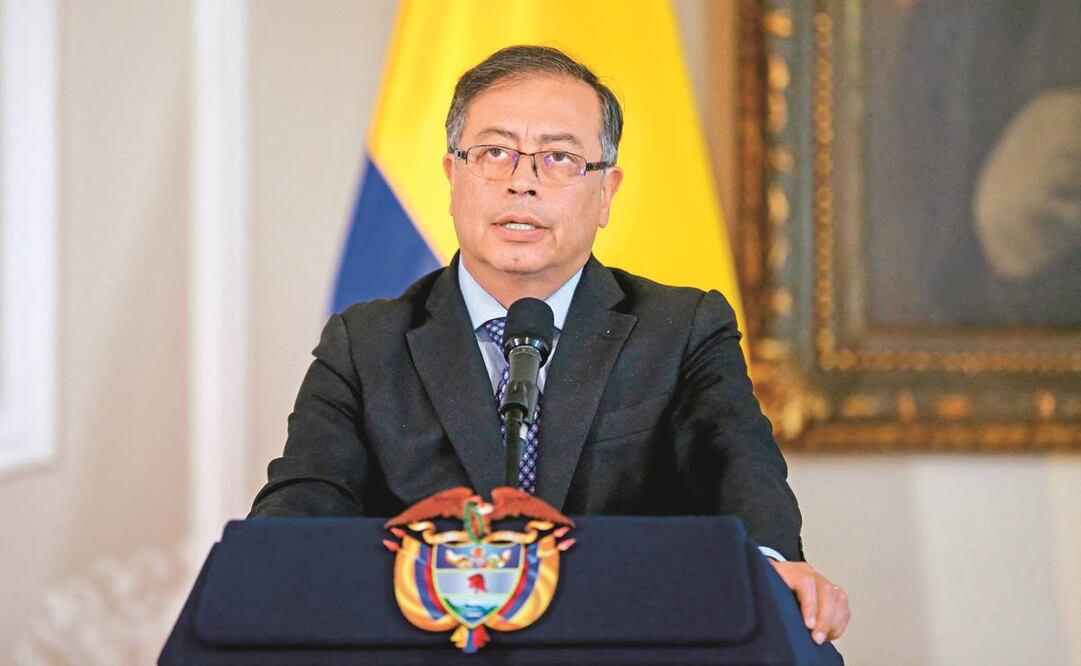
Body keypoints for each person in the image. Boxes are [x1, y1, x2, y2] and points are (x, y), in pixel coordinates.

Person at [250, 45, 850, 644]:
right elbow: (304, 503)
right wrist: (269, 569)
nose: (522, 184)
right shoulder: (366, 342)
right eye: (494, 153)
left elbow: (735, 463)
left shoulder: (683, 328)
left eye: (559, 158)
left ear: (607, 191)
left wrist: (772, 567)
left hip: (626, 644)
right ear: (453, 175)